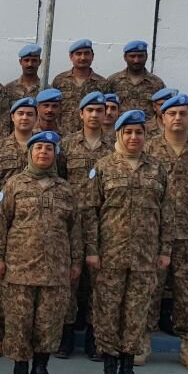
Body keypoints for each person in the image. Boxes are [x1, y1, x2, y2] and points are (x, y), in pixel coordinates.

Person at [0, 130, 81, 374]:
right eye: (38, 148)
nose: (43, 152)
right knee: (18, 322)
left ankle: (41, 369)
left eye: (49, 149)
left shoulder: (65, 189)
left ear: (55, 155)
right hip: (19, 268)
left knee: (48, 323)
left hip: (55, 270)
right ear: (29, 153)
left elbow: (75, 230)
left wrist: (75, 262)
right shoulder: (14, 185)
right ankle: (19, 370)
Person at [84, 110, 169, 374]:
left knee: (136, 314)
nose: (134, 138)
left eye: (140, 132)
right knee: (108, 312)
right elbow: (90, 212)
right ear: (119, 134)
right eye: (129, 132)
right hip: (110, 254)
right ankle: (109, 369)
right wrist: (92, 250)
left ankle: (128, 368)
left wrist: (164, 250)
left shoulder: (158, 169)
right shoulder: (103, 167)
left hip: (145, 257)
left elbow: (167, 214)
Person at [146, 92, 188, 373]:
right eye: (171, 113)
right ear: (162, 117)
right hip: (154, 231)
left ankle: (187, 346)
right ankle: (142, 341)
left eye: (182, 113)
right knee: (150, 288)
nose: (177, 118)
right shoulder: (148, 150)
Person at [0, 97, 40, 357]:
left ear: (36, 118)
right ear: (12, 118)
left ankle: (29, 337)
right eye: (20, 113)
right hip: (4, 223)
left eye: (29, 113)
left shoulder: (45, 146)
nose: (25, 118)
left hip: (35, 225)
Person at [57, 91, 112, 359]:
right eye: (89, 110)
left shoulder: (114, 147)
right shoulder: (67, 145)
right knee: (70, 278)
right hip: (70, 220)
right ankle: (66, 336)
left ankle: (94, 336)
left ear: (105, 114)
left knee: (97, 281)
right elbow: (56, 179)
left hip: (104, 222)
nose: (94, 115)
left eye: (99, 110)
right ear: (80, 114)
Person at [51, 39, 108, 136]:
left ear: (92, 56)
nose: (83, 57)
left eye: (86, 54)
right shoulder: (59, 80)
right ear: (71, 57)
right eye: (78, 54)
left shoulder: (102, 83)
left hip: (91, 136)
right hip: (63, 135)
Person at [104, 40, 164, 115]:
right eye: (132, 56)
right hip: (119, 126)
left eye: (140, 56)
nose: (136, 60)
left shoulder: (157, 83)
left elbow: (162, 109)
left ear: (146, 57)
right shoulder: (113, 80)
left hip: (147, 126)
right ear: (125, 57)